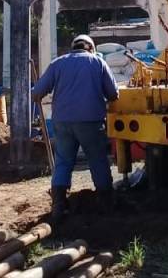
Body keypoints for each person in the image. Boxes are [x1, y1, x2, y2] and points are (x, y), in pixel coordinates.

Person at [32, 34, 119, 222]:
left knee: (63, 161)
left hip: (62, 122)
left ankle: (58, 207)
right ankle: (106, 204)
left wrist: (38, 95)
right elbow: (113, 93)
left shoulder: (58, 63)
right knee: (97, 159)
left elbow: (37, 92)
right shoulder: (98, 63)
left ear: (73, 47)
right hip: (91, 121)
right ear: (91, 48)